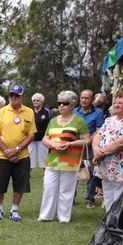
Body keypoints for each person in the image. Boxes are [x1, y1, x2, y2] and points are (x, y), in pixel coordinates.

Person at [37, 91, 90, 223]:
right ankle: (45, 216)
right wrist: (51, 143)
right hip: (52, 160)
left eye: (64, 103)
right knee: (49, 187)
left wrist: (71, 144)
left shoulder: (79, 121)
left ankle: (64, 218)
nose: (61, 106)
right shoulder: (53, 121)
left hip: (70, 161)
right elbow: (45, 139)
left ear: (72, 105)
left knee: (66, 190)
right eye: (59, 103)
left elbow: (87, 140)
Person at [0, 83, 36, 222]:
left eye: (17, 95)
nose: (13, 97)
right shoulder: (2, 112)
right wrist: (7, 152)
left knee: (20, 184)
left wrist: (16, 150)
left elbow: (31, 135)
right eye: (11, 95)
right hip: (0, 155)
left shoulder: (29, 112)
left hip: (21, 155)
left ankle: (14, 210)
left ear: (22, 97)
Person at [92, 90, 123, 212]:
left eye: (120, 103)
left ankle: (118, 225)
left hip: (121, 167)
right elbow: (97, 135)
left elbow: (122, 142)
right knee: (108, 196)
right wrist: (96, 150)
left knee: (119, 197)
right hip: (105, 166)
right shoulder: (109, 120)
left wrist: (100, 153)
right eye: (115, 102)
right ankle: (109, 222)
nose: (116, 105)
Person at [74, 89, 105, 208]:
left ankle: (89, 199)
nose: (84, 100)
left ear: (92, 100)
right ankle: (70, 198)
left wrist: (87, 141)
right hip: (75, 146)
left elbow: (98, 130)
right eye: (82, 98)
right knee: (73, 172)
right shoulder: (74, 111)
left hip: (91, 146)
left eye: (87, 98)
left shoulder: (98, 112)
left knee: (91, 172)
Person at [29, 93, 53, 172]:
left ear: (42, 102)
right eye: (34, 100)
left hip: (43, 139)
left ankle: (46, 173)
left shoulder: (47, 112)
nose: (35, 102)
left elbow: (51, 124)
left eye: (37, 100)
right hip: (31, 139)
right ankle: (27, 174)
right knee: (29, 157)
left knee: (44, 157)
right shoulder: (29, 112)